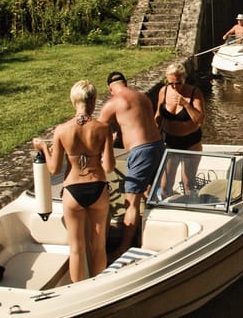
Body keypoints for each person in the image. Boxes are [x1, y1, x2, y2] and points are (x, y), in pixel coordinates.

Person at [32, 80, 114, 282]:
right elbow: (109, 167)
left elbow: (53, 169)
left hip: (72, 189)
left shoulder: (62, 130)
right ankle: (100, 286)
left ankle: (79, 290)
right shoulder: (103, 128)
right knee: (98, 245)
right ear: (93, 101)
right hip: (97, 188)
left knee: (76, 249)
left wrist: (43, 148)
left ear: (73, 101)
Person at [99, 71, 165, 255]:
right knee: (153, 192)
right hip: (158, 145)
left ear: (110, 88)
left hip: (140, 151)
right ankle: (156, 236)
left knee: (131, 202)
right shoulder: (143, 97)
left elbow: (96, 130)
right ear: (125, 83)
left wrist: (107, 144)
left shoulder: (113, 103)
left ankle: (124, 247)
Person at [154, 63, 206, 196]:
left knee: (188, 183)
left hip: (191, 142)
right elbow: (158, 116)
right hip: (170, 141)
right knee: (165, 185)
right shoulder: (164, 91)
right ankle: (168, 210)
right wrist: (154, 136)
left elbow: (200, 120)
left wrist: (186, 105)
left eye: (178, 83)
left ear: (184, 78)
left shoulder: (195, 92)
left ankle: (190, 208)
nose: (175, 86)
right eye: (171, 83)